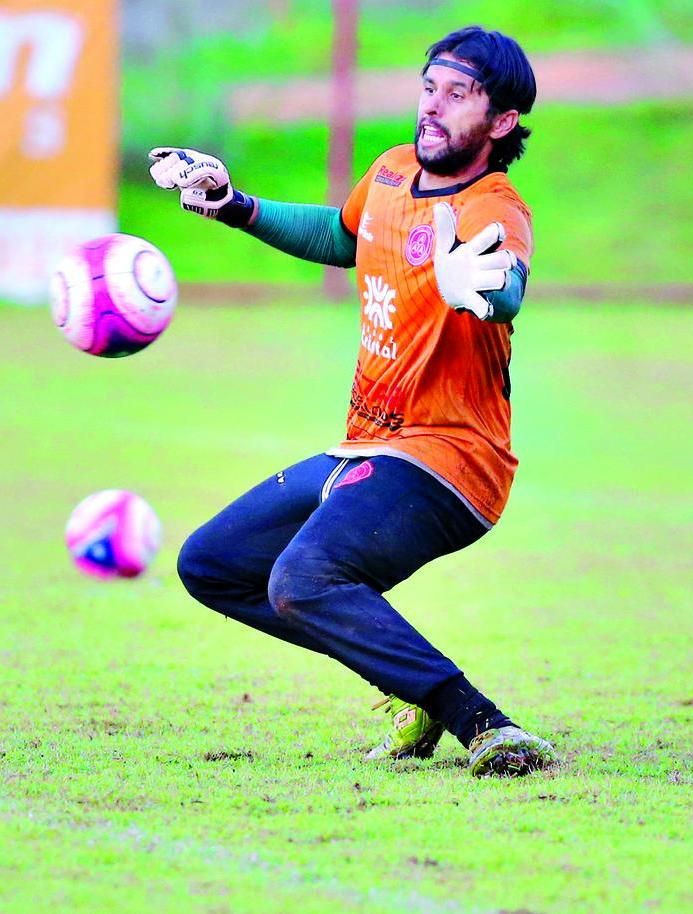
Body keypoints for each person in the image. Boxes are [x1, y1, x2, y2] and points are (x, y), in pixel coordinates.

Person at [159, 26, 554, 777]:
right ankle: (414, 691)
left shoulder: (491, 208)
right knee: (212, 564)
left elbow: (503, 284)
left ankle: (482, 723)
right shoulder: (393, 171)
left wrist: (485, 290)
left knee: (303, 578)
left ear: (501, 122)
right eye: (429, 86)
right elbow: (345, 238)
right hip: (365, 446)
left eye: (458, 94)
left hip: (449, 460)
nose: (432, 107)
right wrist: (232, 204)